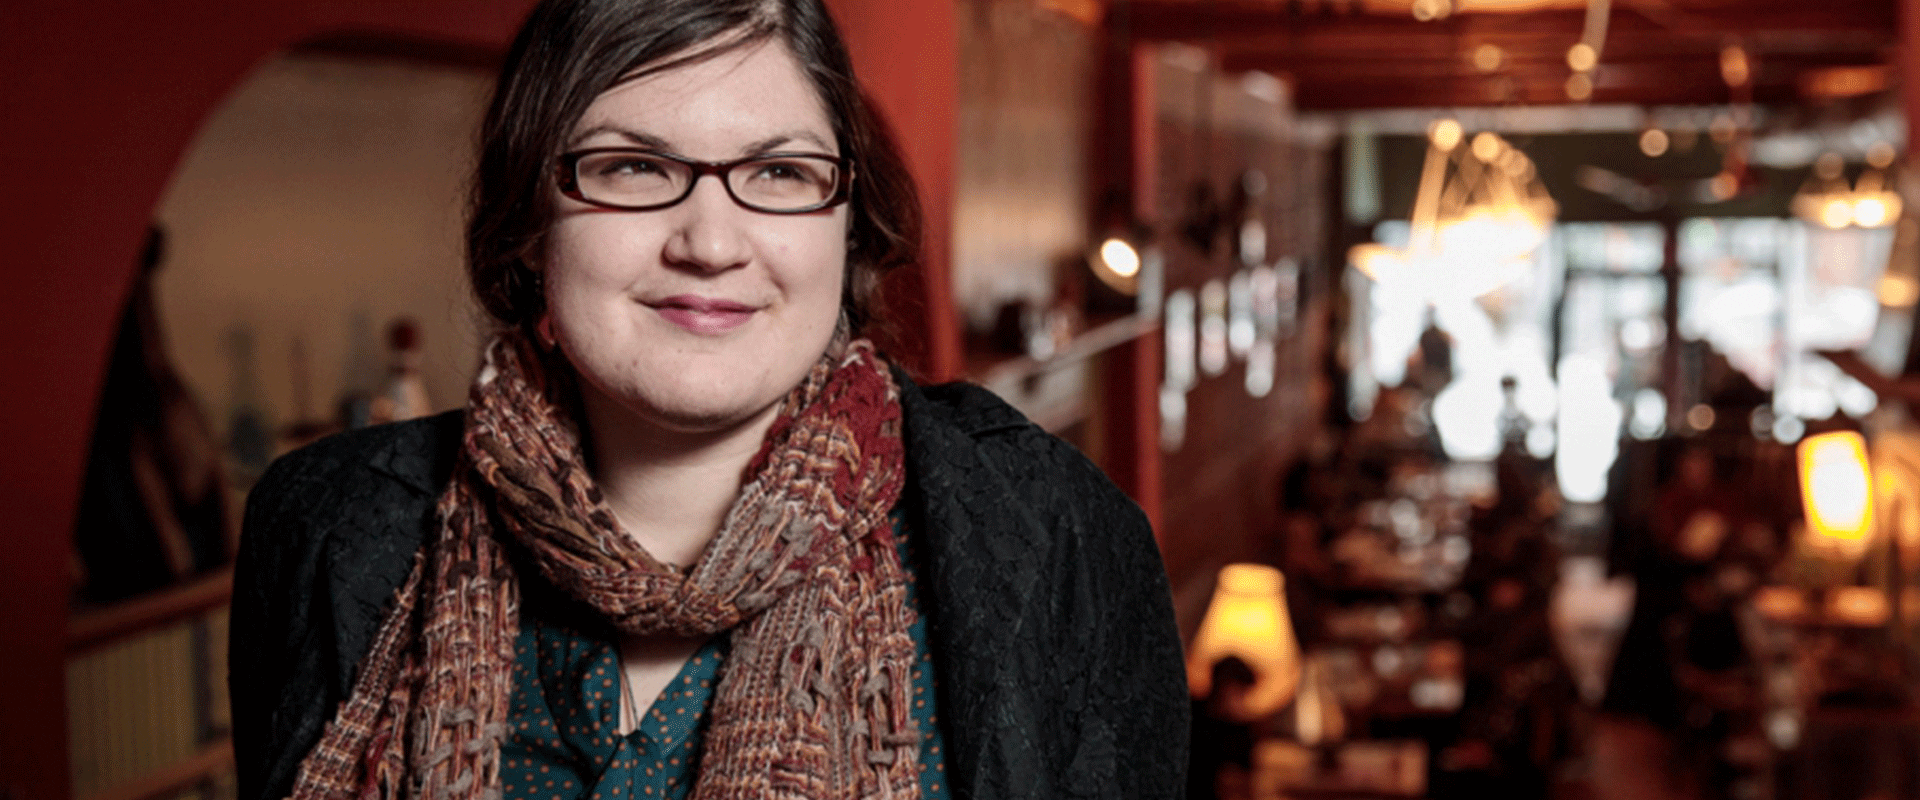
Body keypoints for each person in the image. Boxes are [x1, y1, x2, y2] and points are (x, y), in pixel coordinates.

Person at [227, 2, 1187, 800]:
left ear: (847, 224)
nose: (711, 243)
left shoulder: (1060, 540)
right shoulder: (321, 529)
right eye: (633, 167)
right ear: (530, 219)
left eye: (780, 172)